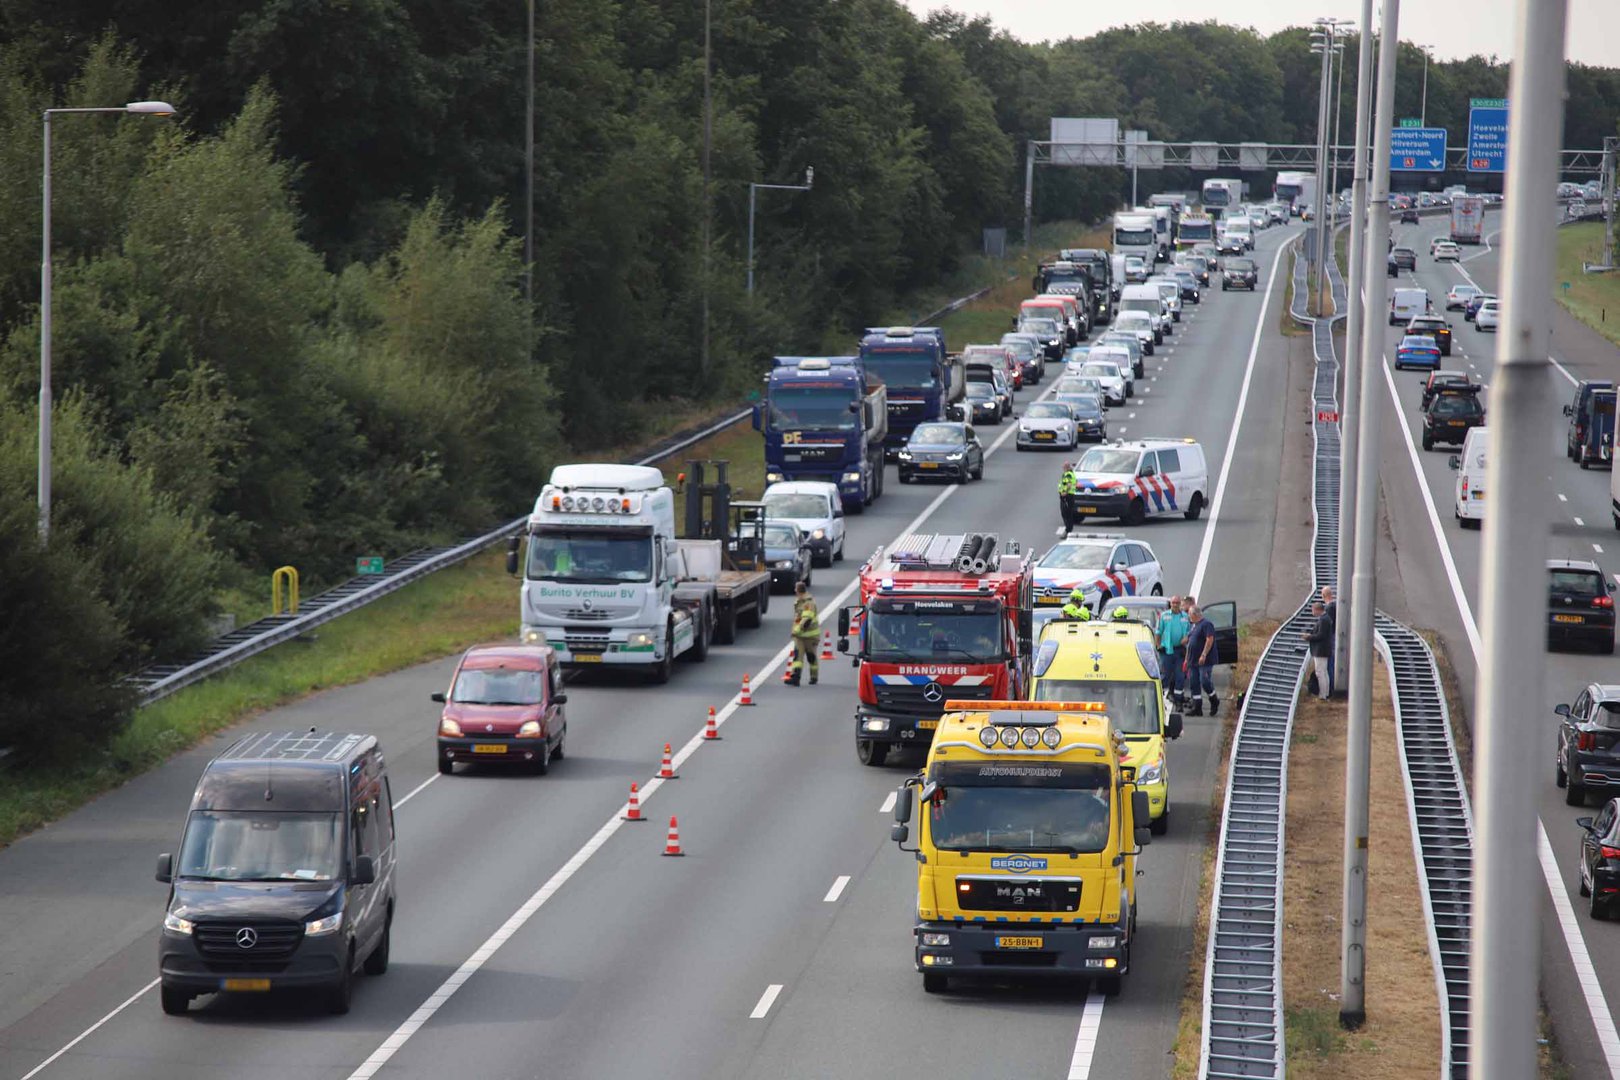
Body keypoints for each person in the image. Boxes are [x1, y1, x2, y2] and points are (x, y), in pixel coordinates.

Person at [1182, 604, 1219, 717]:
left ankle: (1214, 699)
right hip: (1192, 660)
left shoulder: (1206, 624)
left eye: (1190, 615)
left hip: (1204, 660)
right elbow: (1190, 643)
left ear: (1195, 614)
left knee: (1204, 680)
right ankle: (1197, 707)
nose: (1189, 617)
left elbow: (1209, 639)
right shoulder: (1194, 626)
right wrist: (1186, 659)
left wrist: (1203, 654)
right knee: (1194, 683)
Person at [785, 581, 820, 686]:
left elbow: (807, 620)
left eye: (796, 589)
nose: (794, 591)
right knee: (797, 657)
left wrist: (796, 630)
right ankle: (795, 677)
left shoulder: (808, 603)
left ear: (799, 590)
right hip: (800, 637)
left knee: (811, 657)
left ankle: (814, 677)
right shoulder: (800, 601)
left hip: (810, 637)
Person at [1158, 596, 1189, 708]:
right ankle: (1157, 696)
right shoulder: (1164, 616)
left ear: (1180, 604)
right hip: (1167, 650)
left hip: (1180, 650)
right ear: (1170, 604)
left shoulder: (1185, 617)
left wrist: (1186, 638)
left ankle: (1178, 700)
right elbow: (1158, 632)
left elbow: (1189, 632)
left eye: (1177, 603)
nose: (1175, 605)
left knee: (1180, 676)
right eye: (1173, 603)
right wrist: (1158, 645)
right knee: (1166, 675)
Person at [1306, 600, 1333, 700]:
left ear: (1317, 610)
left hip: (1321, 650)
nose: (1312, 612)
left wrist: (1309, 637)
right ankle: (1325, 693)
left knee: (1320, 673)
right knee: (1324, 672)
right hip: (1323, 650)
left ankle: (1323, 695)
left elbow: (1321, 635)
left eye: (1313, 610)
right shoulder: (1325, 618)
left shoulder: (1323, 620)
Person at [1319, 585, 1337, 696]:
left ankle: (1330, 689)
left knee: (1329, 664)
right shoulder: (1336, 606)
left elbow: (1327, 626)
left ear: (1323, 596)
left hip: (1330, 638)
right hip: (1335, 636)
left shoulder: (1329, 608)